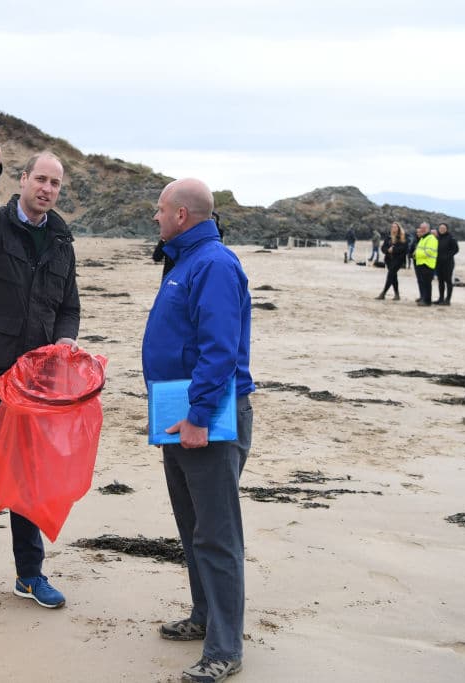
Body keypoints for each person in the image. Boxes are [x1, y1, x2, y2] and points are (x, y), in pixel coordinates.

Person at [0, 141, 80, 611]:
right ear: (23, 180)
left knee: (28, 478)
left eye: (55, 183)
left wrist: (65, 339)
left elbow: (69, 306)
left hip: (35, 381)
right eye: (40, 179)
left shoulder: (62, 242)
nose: (47, 188)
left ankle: (30, 575)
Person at [142, 177, 254, 683]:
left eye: (161, 209)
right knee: (192, 528)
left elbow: (220, 349)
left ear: (181, 215)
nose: (156, 217)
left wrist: (199, 417)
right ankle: (204, 615)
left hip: (207, 418)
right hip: (177, 411)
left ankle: (225, 648)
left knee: (217, 534)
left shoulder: (214, 264)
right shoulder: (184, 259)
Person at [376, 222, 408, 300]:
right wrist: (387, 250)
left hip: (398, 260)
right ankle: (397, 294)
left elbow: (404, 249)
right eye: (392, 227)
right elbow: (383, 248)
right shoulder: (388, 237)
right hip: (389, 260)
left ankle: (383, 293)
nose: (393, 228)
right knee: (393, 276)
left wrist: (394, 250)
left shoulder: (402, 237)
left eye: (395, 227)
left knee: (390, 275)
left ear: (399, 228)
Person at [411, 222, 438, 307]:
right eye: (421, 228)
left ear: (428, 229)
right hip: (420, 263)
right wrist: (414, 254)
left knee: (427, 284)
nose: (422, 229)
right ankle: (423, 298)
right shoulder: (423, 238)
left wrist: (416, 254)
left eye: (424, 228)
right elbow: (417, 250)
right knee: (422, 283)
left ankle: (427, 301)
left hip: (427, 264)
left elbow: (429, 252)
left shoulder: (431, 238)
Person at [434, 223, 459, 305]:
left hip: (448, 263)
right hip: (438, 263)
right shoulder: (437, 237)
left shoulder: (451, 237)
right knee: (440, 281)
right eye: (440, 228)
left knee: (448, 281)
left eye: (443, 228)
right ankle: (441, 298)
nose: (442, 229)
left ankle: (448, 299)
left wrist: (447, 256)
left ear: (447, 229)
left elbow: (456, 249)